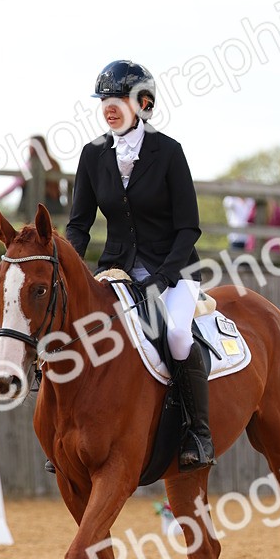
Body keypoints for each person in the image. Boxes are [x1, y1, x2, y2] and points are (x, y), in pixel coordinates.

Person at [65, 59, 215, 471]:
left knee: (179, 336)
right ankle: (69, 431)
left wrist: (165, 277)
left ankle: (197, 434)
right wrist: (68, 264)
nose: (108, 106)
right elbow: (79, 225)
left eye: (118, 98)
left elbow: (189, 228)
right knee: (79, 330)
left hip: (175, 270)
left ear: (143, 103)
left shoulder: (168, 152)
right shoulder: (93, 154)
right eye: (104, 99)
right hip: (117, 270)